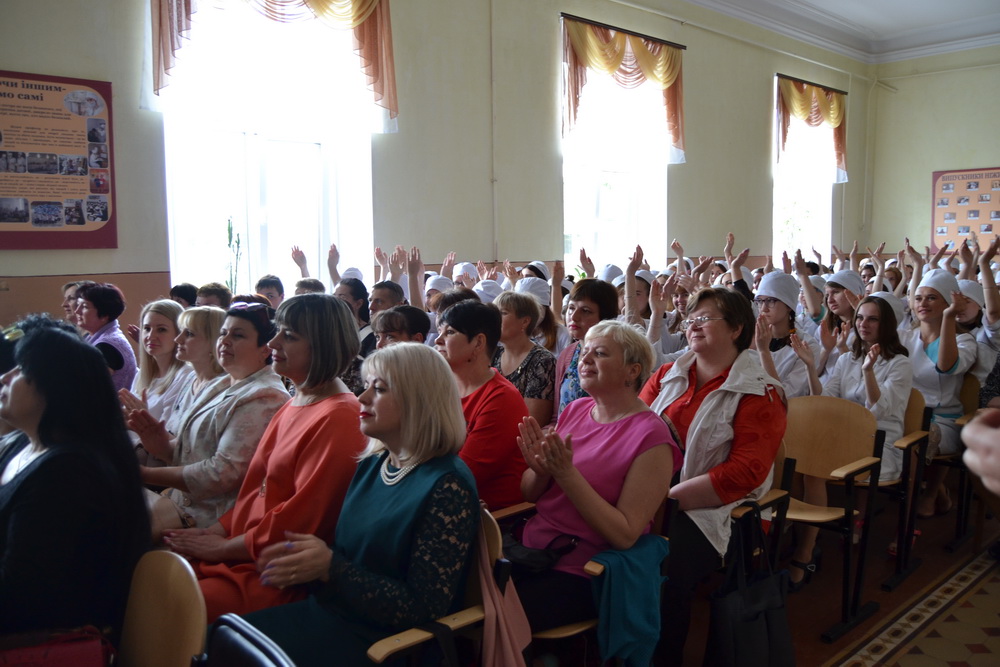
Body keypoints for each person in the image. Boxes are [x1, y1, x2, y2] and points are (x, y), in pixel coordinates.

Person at [239, 343, 479, 666]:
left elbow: (422, 608)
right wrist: (305, 564)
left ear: (418, 401)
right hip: (334, 614)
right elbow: (349, 556)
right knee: (225, 637)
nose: (362, 398)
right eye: (366, 386)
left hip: (385, 644)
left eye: (378, 389)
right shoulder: (374, 464)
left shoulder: (447, 485)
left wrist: (330, 567)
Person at [163, 295, 367, 621]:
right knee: (151, 575)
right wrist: (215, 531)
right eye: (277, 331)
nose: (272, 342)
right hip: (243, 550)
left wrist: (222, 548)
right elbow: (255, 489)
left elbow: (299, 524)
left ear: (322, 346)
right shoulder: (297, 400)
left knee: (173, 604)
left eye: (289, 336)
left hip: (276, 570)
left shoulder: (340, 416)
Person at [639, 287, 786, 664]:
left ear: (737, 328)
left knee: (663, 564)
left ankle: (663, 658)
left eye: (705, 319)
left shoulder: (760, 391)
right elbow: (632, 429)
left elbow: (744, 473)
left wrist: (667, 501)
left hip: (721, 510)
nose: (693, 326)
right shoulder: (667, 375)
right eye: (691, 319)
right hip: (657, 494)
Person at [514, 320, 679, 631]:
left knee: (498, 616)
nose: (584, 359)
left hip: (585, 567)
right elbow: (530, 495)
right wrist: (540, 472)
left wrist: (566, 474)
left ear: (633, 371)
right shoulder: (576, 410)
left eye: (600, 353)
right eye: (584, 352)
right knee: (465, 595)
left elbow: (625, 534)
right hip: (532, 549)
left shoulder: (651, 436)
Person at [0, 317, 149, 635]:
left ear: (54, 390)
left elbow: (22, 597)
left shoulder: (67, 474)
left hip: (43, 639)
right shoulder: (20, 444)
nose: (6, 376)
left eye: (21, 369)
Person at [128, 302, 289, 529]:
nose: (224, 340)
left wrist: (143, 474)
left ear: (266, 349)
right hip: (180, 503)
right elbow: (195, 454)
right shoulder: (223, 382)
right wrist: (163, 445)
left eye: (238, 335)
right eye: (223, 333)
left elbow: (222, 474)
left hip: (210, 520)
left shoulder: (265, 395)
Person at [789, 295, 912, 580]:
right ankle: (806, 542)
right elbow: (824, 400)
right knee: (802, 467)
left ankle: (804, 551)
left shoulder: (900, 363)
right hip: (844, 439)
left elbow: (878, 411)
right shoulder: (847, 359)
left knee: (814, 468)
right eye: (859, 318)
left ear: (887, 325)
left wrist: (869, 372)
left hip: (879, 445)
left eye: (872, 319)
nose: (863, 324)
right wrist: (810, 366)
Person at [900, 264, 977, 518]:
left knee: (912, 444)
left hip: (943, 422)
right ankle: (935, 494)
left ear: (948, 304)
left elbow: (946, 366)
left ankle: (907, 521)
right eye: (919, 297)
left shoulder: (964, 341)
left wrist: (947, 319)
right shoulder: (905, 337)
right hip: (906, 415)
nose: (923, 303)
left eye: (932, 298)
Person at [436, 300, 529, 510]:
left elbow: (462, 475)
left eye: (449, 332)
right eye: (440, 331)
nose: (438, 340)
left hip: (492, 520)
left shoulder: (501, 399)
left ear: (478, 343)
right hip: (444, 500)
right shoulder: (441, 386)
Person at [119, 299, 193, 434]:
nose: (151, 336)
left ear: (179, 334)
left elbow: (173, 435)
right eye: (147, 329)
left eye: (161, 330)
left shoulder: (186, 376)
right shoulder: (142, 374)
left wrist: (143, 421)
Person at [553, 278, 620, 423]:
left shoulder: (617, 357)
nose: (574, 317)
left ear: (604, 317)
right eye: (571, 308)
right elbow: (556, 415)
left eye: (585, 311)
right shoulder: (567, 355)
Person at [752, 270, 820, 399]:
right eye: (760, 301)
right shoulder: (753, 337)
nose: (764, 308)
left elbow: (783, 397)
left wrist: (763, 351)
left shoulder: (806, 345)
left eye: (771, 301)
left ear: (789, 306)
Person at [492, 290, 556, 426]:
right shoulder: (494, 354)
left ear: (525, 321)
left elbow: (532, 422)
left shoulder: (542, 360)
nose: (495, 318)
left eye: (503, 313)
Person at [75, 282, 138, 391]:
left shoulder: (107, 345)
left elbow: (88, 388)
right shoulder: (100, 337)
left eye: (84, 306)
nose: (77, 311)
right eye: (78, 305)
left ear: (104, 315)